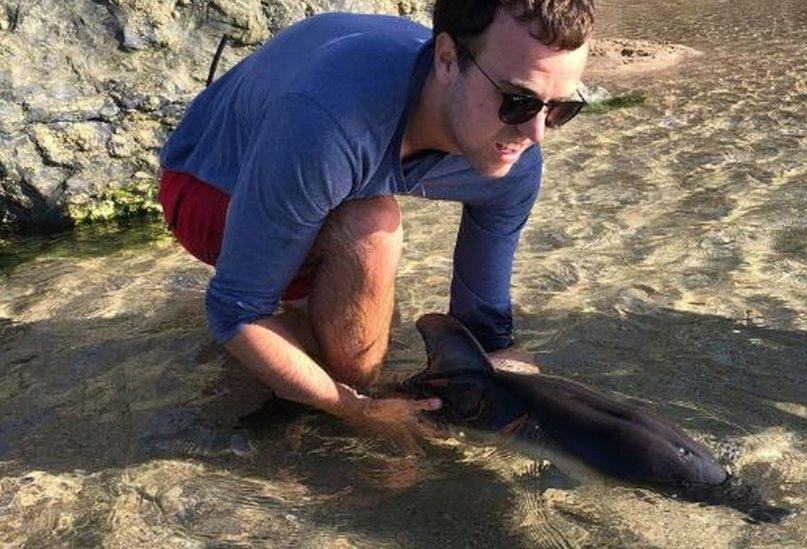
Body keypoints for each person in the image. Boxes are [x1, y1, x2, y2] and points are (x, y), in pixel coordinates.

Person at [157, 0, 593, 428]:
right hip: (208, 182)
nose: (536, 133)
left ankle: (297, 348)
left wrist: (505, 370)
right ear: (446, 59)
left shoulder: (516, 161)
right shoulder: (330, 126)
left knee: (366, 310)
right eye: (517, 101)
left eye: (561, 109)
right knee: (372, 231)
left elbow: (482, 323)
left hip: (305, 164)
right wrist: (357, 408)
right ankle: (332, 425)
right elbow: (235, 309)